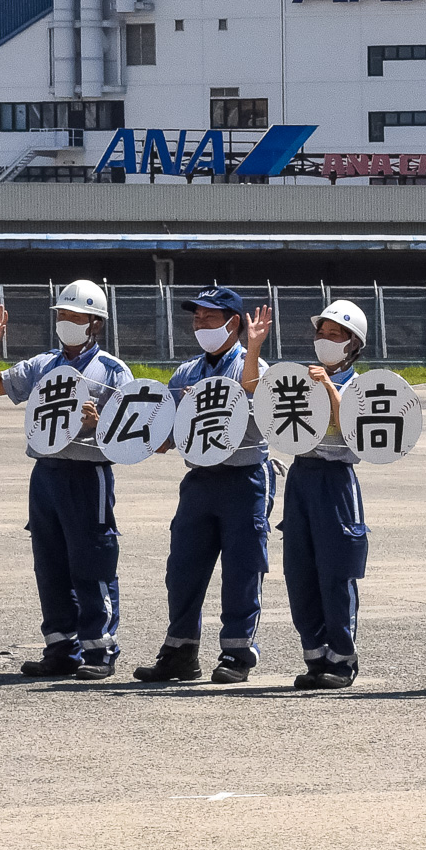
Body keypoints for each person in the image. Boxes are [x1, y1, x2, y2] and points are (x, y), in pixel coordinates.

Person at [0, 282, 133, 679]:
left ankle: (100, 650)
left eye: (74, 316)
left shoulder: (113, 371)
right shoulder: (43, 364)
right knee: (50, 564)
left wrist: (99, 425)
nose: (65, 322)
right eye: (61, 315)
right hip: (45, 473)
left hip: (87, 473)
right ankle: (61, 648)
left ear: (95, 323)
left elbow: (132, 436)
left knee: (92, 560)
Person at [133, 287, 278, 685]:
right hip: (199, 479)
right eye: (196, 318)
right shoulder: (186, 373)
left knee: (242, 569)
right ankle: (180, 651)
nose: (200, 325)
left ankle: (236, 653)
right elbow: (167, 436)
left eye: (209, 318)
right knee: (182, 568)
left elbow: (253, 395)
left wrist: (253, 347)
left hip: (244, 477)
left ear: (233, 323)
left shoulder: (254, 367)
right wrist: (122, 430)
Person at [279, 300, 372, 690]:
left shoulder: (361, 385)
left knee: (336, 571)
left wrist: (329, 386)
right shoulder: (303, 376)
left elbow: (352, 429)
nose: (325, 340)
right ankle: (315, 655)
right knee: (299, 570)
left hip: (336, 477)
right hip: (301, 474)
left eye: (335, 335)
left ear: (353, 344)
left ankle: (342, 658)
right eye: (321, 333)